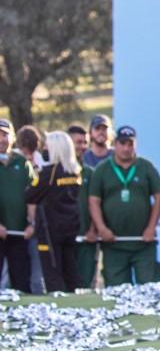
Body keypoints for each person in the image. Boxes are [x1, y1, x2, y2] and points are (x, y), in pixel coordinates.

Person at [88, 126, 160, 286]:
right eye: (122, 143)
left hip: (143, 243)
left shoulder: (146, 167)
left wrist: (151, 227)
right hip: (113, 244)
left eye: (130, 144)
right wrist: (101, 228)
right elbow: (94, 200)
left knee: (149, 289)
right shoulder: (102, 170)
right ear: (115, 144)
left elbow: (158, 196)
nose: (126, 148)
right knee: (117, 292)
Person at [25, 131, 81, 292]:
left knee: (52, 271)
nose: (45, 149)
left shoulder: (49, 173)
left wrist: (36, 173)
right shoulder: (75, 171)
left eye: (48, 146)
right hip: (70, 228)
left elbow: (29, 195)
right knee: (69, 269)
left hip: (49, 230)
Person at [0, 119, 36, 293]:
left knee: (21, 281)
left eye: (5, 134)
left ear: (12, 137)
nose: (1, 139)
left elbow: (32, 196)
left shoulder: (22, 163)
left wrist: (31, 223)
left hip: (20, 233)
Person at [14, 125, 46, 293]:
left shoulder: (42, 163)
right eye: (24, 151)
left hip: (36, 228)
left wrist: (33, 224)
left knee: (36, 276)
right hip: (14, 228)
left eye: (31, 151)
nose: (28, 156)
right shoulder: (14, 162)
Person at [67, 124, 100, 288]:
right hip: (64, 240)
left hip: (86, 239)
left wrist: (93, 229)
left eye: (84, 142)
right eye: (77, 142)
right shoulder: (55, 172)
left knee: (86, 285)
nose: (82, 146)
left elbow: (95, 204)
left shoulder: (90, 173)